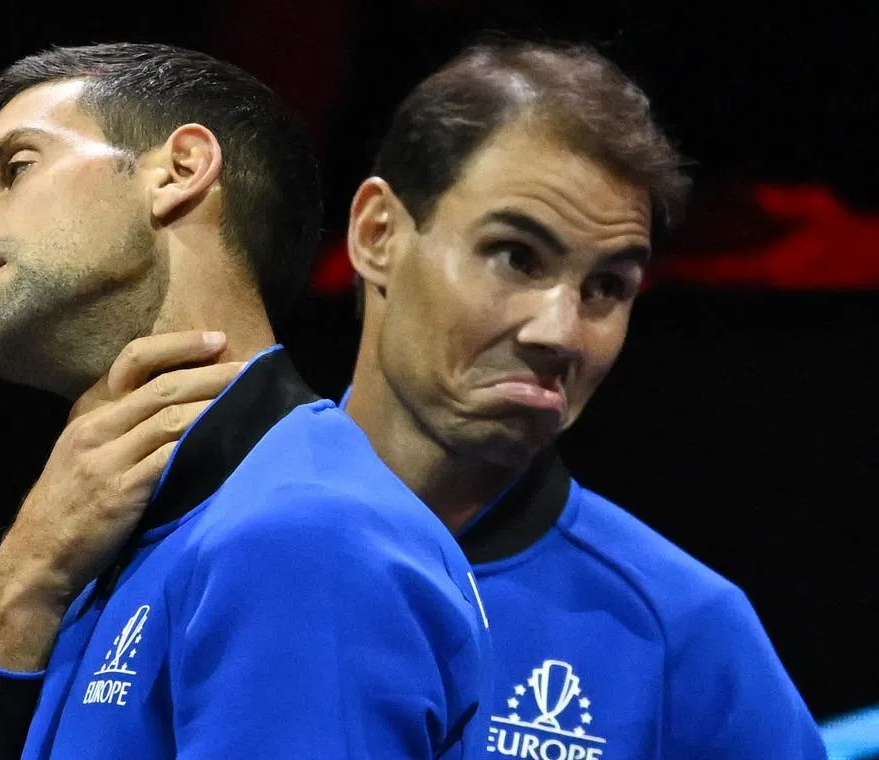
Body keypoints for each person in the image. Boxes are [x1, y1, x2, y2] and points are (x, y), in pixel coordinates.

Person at [0, 43, 491, 760]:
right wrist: (19, 588)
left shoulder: (305, 532)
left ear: (179, 171)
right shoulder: (80, 549)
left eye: (15, 169)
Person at [340, 41, 826, 758]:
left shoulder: (684, 631)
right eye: (516, 256)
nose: (560, 334)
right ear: (378, 234)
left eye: (607, 289)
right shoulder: (176, 532)